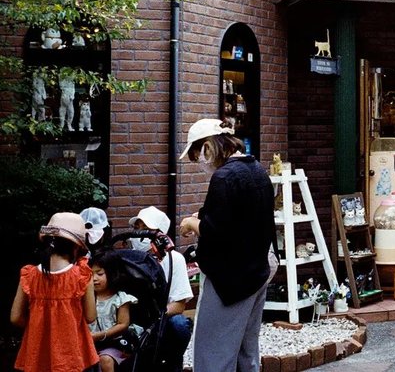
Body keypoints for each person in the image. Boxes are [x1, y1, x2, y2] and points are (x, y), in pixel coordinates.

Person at [178, 118, 275, 372]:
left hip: (228, 283)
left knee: (214, 356)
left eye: (198, 153)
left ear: (209, 146)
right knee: (246, 354)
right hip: (256, 274)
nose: (199, 161)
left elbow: (216, 231)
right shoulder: (258, 170)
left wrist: (191, 222)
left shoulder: (224, 177)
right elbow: (243, 221)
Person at [10, 212, 99, 372]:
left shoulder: (29, 275)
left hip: (37, 354)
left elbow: (16, 318)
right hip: (73, 354)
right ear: (76, 246)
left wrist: (40, 326)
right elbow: (91, 317)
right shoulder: (81, 275)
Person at [129, 205, 193, 372]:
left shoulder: (174, 260)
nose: (139, 233)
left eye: (146, 229)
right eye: (137, 227)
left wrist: (156, 315)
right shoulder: (127, 259)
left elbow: (179, 305)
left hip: (161, 318)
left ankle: (171, 366)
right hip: (131, 319)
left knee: (179, 324)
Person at [89, 250, 141, 372]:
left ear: (112, 274)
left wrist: (101, 335)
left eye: (100, 274)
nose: (94, 279)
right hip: (90, 343)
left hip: (114, 343)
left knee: (105, 360)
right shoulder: (88, 298)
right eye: (91, 274)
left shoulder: (120, 299)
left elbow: (123, 324)